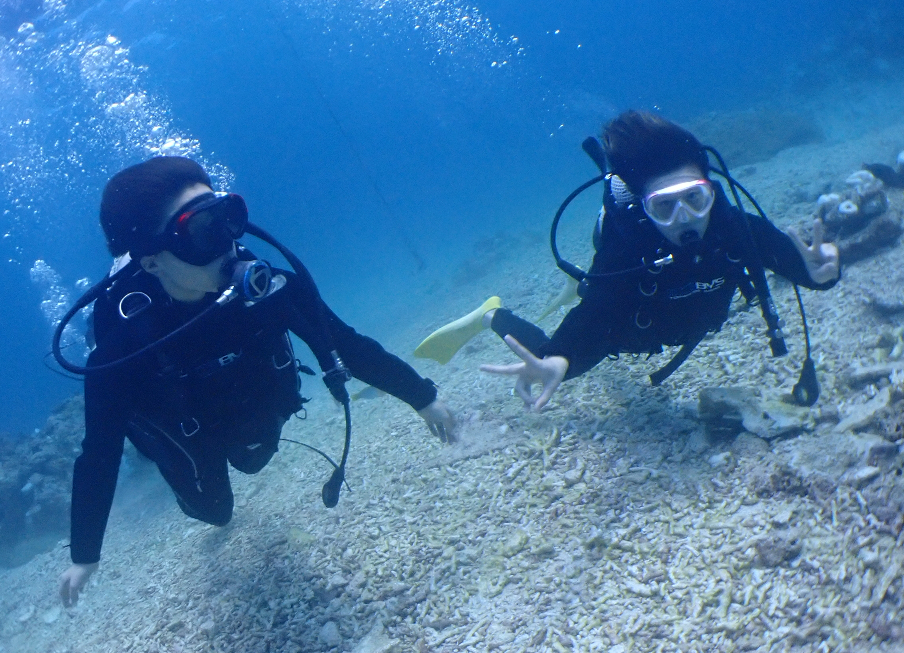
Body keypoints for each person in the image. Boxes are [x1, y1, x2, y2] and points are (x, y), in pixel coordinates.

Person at [57, 156, 455, 607]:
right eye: (203, 231)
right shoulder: (124, 346)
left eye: (228, 219)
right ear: (151, 262)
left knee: (254, 458)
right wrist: (84, 554)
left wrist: (423, 398)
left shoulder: (269, 289)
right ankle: (166, 458)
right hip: (183, 427)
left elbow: (345, 343)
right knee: (216, 512)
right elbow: (99, 453)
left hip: (248, 400)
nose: (228, 244)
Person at [415, 110, 840, 411]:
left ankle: (573, 288)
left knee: (586, 307)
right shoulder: (626, 246)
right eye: (663, 208)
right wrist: (559, 357)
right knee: (555, 363)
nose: (685, 220)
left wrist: (821, 274)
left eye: (695, 199)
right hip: (625, 328)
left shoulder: (734, 227)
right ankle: (493, 315)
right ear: (642, 207)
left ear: (712, 189)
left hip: (669, 317)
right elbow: (594, 314)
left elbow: (802, 269)